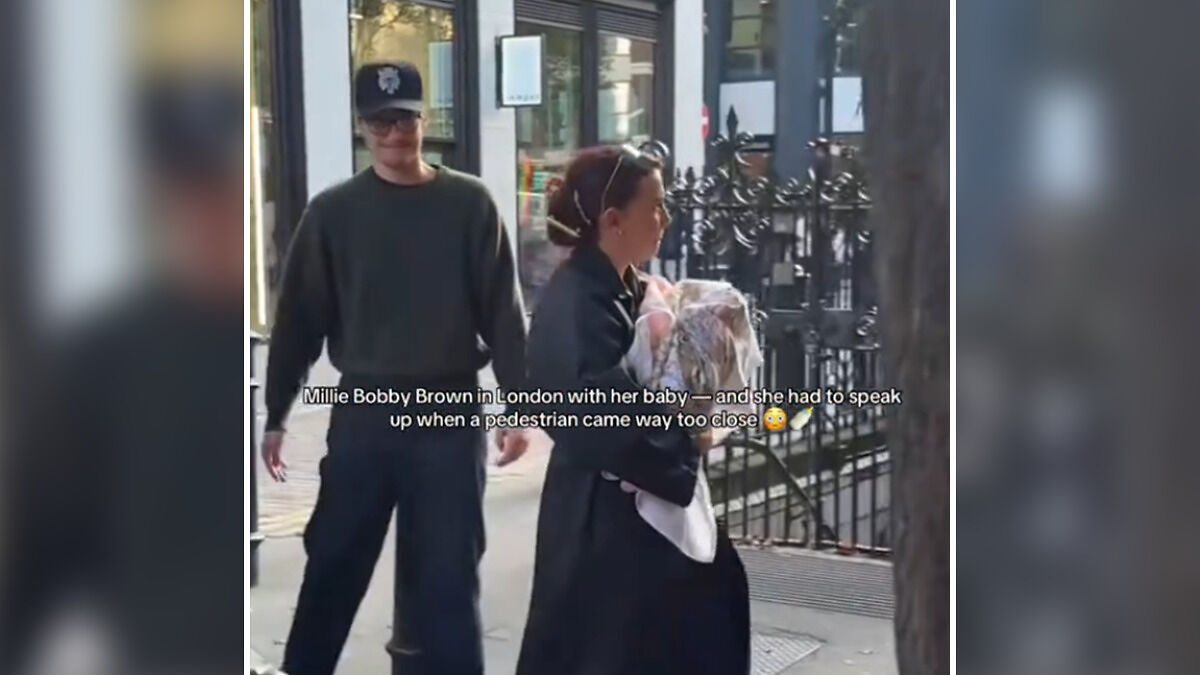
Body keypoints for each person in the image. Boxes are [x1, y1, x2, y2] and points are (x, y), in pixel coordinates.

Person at [263, 62, 530, 675]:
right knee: (332, 563)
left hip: (449, 412)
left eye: (406, 118)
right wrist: (277, 413)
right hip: (365, 415)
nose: (395, 133)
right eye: (382, 121)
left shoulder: (469, 204)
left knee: (448, 581)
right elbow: (298, 321)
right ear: (362, 127)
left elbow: (503, 314)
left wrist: (519, 406)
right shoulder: (333, 214)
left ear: (424, 120)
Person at [514, 145, 751, 675]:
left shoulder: (624, 287)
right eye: (657, 207)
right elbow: (598, 417)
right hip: (603, 523)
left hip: (631, 517)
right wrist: (692, 437)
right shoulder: (574, 304)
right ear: (614, 220)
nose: (665, 219)